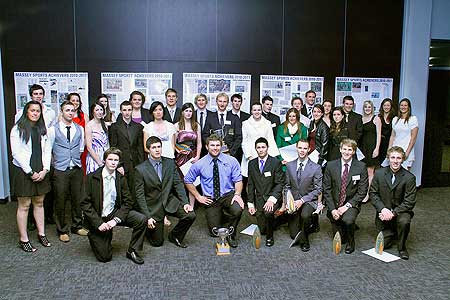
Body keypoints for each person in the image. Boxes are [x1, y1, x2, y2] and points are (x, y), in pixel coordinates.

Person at [80, 148, 148, 264]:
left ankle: (133, 251)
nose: (113, 162)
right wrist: (98, 223)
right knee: (105, 257)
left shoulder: (121, 178)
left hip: (114, 213)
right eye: (110, 159)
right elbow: (85, 203)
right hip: (98, 217)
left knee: (141, 219)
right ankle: (95, 234)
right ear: (104, 160)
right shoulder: (92, 178)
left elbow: (128, 202)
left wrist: (116, 220)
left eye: (116, 160)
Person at [135, 136, 196, 248]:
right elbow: (140, 196)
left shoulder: (170, 163)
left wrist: (185, 203)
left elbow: (178, 184)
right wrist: (147, 217)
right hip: (153, 207)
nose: (157, 150)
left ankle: (175, 236)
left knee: (190, 215)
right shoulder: (140, 169)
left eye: (159, 147)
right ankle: (146, 228)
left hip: (169, 201)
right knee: (157, 243)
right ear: (148, 149)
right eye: (154, 147)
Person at [184, 134, 244, 248]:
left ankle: (231, 234)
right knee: (214, 232)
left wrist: (238, 194)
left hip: (228, 195)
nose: (215, 148)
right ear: (207, 147)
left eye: (217, 145)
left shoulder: (231, 161)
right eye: (212, 145)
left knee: (238, 209)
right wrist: (198, 197)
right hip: (211, 199)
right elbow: (187, 180)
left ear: (221, 146)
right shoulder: (200, 164)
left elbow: (238, 180)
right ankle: (222, 215)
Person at [10, 101, 52, 252]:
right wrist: (30, 172)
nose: (35, 113)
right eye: (32, 110)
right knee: (24, 204)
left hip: (40, 170)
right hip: (24, 171)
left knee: (39, 202)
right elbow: (17, 153)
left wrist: (45, 170)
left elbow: (48, 150)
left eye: (38, 111)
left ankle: (41, 234)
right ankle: (24, 238)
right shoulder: (18, 129)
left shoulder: (43, 129)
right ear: (26, 112)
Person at [48, 100, 87, 242]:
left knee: (78, 199)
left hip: (76, 168)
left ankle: (77, 226)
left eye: (72, 110)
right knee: (60, 200)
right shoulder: (53, 129)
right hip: (60, 170)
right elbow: (49, 150)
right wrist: (57, 162)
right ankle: (62, 229)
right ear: (62, 112)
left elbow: (81, 148)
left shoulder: (79, 129)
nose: (70, 113)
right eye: (67, 110)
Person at [370, 146, 417, 260]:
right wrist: (383, 209)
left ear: (403, 159)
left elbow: (409, 201)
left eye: (399, 158)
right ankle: (393, 233)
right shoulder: (379, 173)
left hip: (401, 212)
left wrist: (393, 213)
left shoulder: (409, 178)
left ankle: (402, 247)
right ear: (388, 158)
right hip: (384, 212)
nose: (395, 161)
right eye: (393, 157)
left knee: (404, 221)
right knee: (384, 245)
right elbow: (373, 194)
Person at [323, 138, 368, 254]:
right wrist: (333, 209)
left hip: (351, 203)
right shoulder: (331, 165)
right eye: (344, 149)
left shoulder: (361, 167)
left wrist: (347, 206)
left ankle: (351, 242)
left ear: (353, 152)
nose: (347, 152)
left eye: (350, 150)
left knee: (348, 220)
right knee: (340, 239)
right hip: (334, 204)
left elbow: (362, 191)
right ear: (340, 150)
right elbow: (326, 189)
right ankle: (342, 225)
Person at [282, 139, 322, 251]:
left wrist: (302, 200)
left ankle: (305, 241)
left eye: (305, 148)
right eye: (300, 148)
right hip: (294, 201)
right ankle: (310, 222)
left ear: (309, 149)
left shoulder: (316, 167)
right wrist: (287, 202)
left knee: (305, 216)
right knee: (293, 235)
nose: (302, 151)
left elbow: (318, 189)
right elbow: (287, 186)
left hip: (308, 200)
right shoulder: (290, 165)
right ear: (296, 148)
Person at [247, 137, 284, 247]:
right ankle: (279, 219)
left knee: (268, 213)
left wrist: (272, 200)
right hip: (259, 198)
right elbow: (250, 184)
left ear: (267, 148)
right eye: (258, 147)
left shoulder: (275, 162)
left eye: (263, 147)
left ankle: (270, 237)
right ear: (255, 149)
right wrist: (250, 203)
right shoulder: (252, 164)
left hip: (272, 196)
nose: (261, 150)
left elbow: (279, 184)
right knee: (262, 229)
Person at [108, 100, 145, 198]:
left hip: (135, 163)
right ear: (121, 111)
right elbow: (113, 147)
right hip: (122, 163)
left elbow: (140, 148)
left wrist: (141, 165)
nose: (127, 112)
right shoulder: (114, 127)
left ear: (132, 110)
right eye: (124, 110)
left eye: (129, 110)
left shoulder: (138, 127)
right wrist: (118, 164)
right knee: (122, 189)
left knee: (135, 188)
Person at [241, 102, 279, 177]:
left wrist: (273, 156)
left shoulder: (268, 123)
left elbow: (271, 140)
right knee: (251, 179)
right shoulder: (245, 124)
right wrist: (249, 156)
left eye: (259, 110)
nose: (257, 112)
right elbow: (244, 141)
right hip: (250, 155)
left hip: (265, 155)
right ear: (251, 111)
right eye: (254, 110)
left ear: (262, 111)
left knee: (265, 178)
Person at [202, 93, 242, 157]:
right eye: (220, 101)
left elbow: (239, 137)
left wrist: (231, 151)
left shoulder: (234, 118)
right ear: (216, 102)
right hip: (213, 153)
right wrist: (212, 148)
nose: (222, 104)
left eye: (224, 101)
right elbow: (205, 135)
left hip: (230, 153)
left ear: (228, 103)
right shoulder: (210, 117)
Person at [388, 98, 419, 170]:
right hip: (394, 151)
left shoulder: (413, 119)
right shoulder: (395, 119)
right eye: (401, 105)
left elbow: (413, 138)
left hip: (405, 150)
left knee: (405, 175)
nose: (403, 107)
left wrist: (407, 153)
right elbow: (392, 136)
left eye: (405, 105)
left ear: (409, 107)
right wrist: (389, 150)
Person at [360, 100, 382, 202]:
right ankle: (361, 193)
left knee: (370, 172)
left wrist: (377, 148)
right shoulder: (361, 118)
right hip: (362, 148)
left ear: (372, 108)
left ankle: (367, 194)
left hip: (371, 147)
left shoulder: (376, 118)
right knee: (362, 172)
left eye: (369, 107)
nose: (367, 109)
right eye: (365, 107)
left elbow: (379, 135)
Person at [85, 102, 109, 174]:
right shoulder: (89, 125)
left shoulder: (105, 124)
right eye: (97, 110)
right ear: (93, 112)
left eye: (101, 110)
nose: (100, 112)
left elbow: (107, 143)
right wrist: (99, 162)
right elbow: (89, 147)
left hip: (105, 156)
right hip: (94, 158)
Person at [378, 98, 395, 164]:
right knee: (379, 164)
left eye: (388, 105)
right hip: (380, 144)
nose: (386, 107)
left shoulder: (394, 118)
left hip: (390, 143)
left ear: (391, 106)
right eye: (384, 105)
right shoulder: (378, 117)